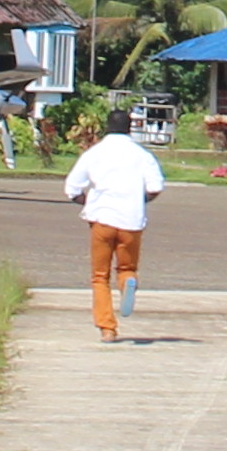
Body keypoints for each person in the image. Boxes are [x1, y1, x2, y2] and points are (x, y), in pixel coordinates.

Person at [62, 102, 166, 342]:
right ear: (130, 128)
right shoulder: (142, 155)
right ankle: (128, 283)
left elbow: (71, 188)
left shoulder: (94, 154)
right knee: (127, 268)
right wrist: (140, 200)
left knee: (100, 276)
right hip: (131, 220)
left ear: (106, 128)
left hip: (102, 219)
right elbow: (155, 187)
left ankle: (107, 328)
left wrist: (87, 202)